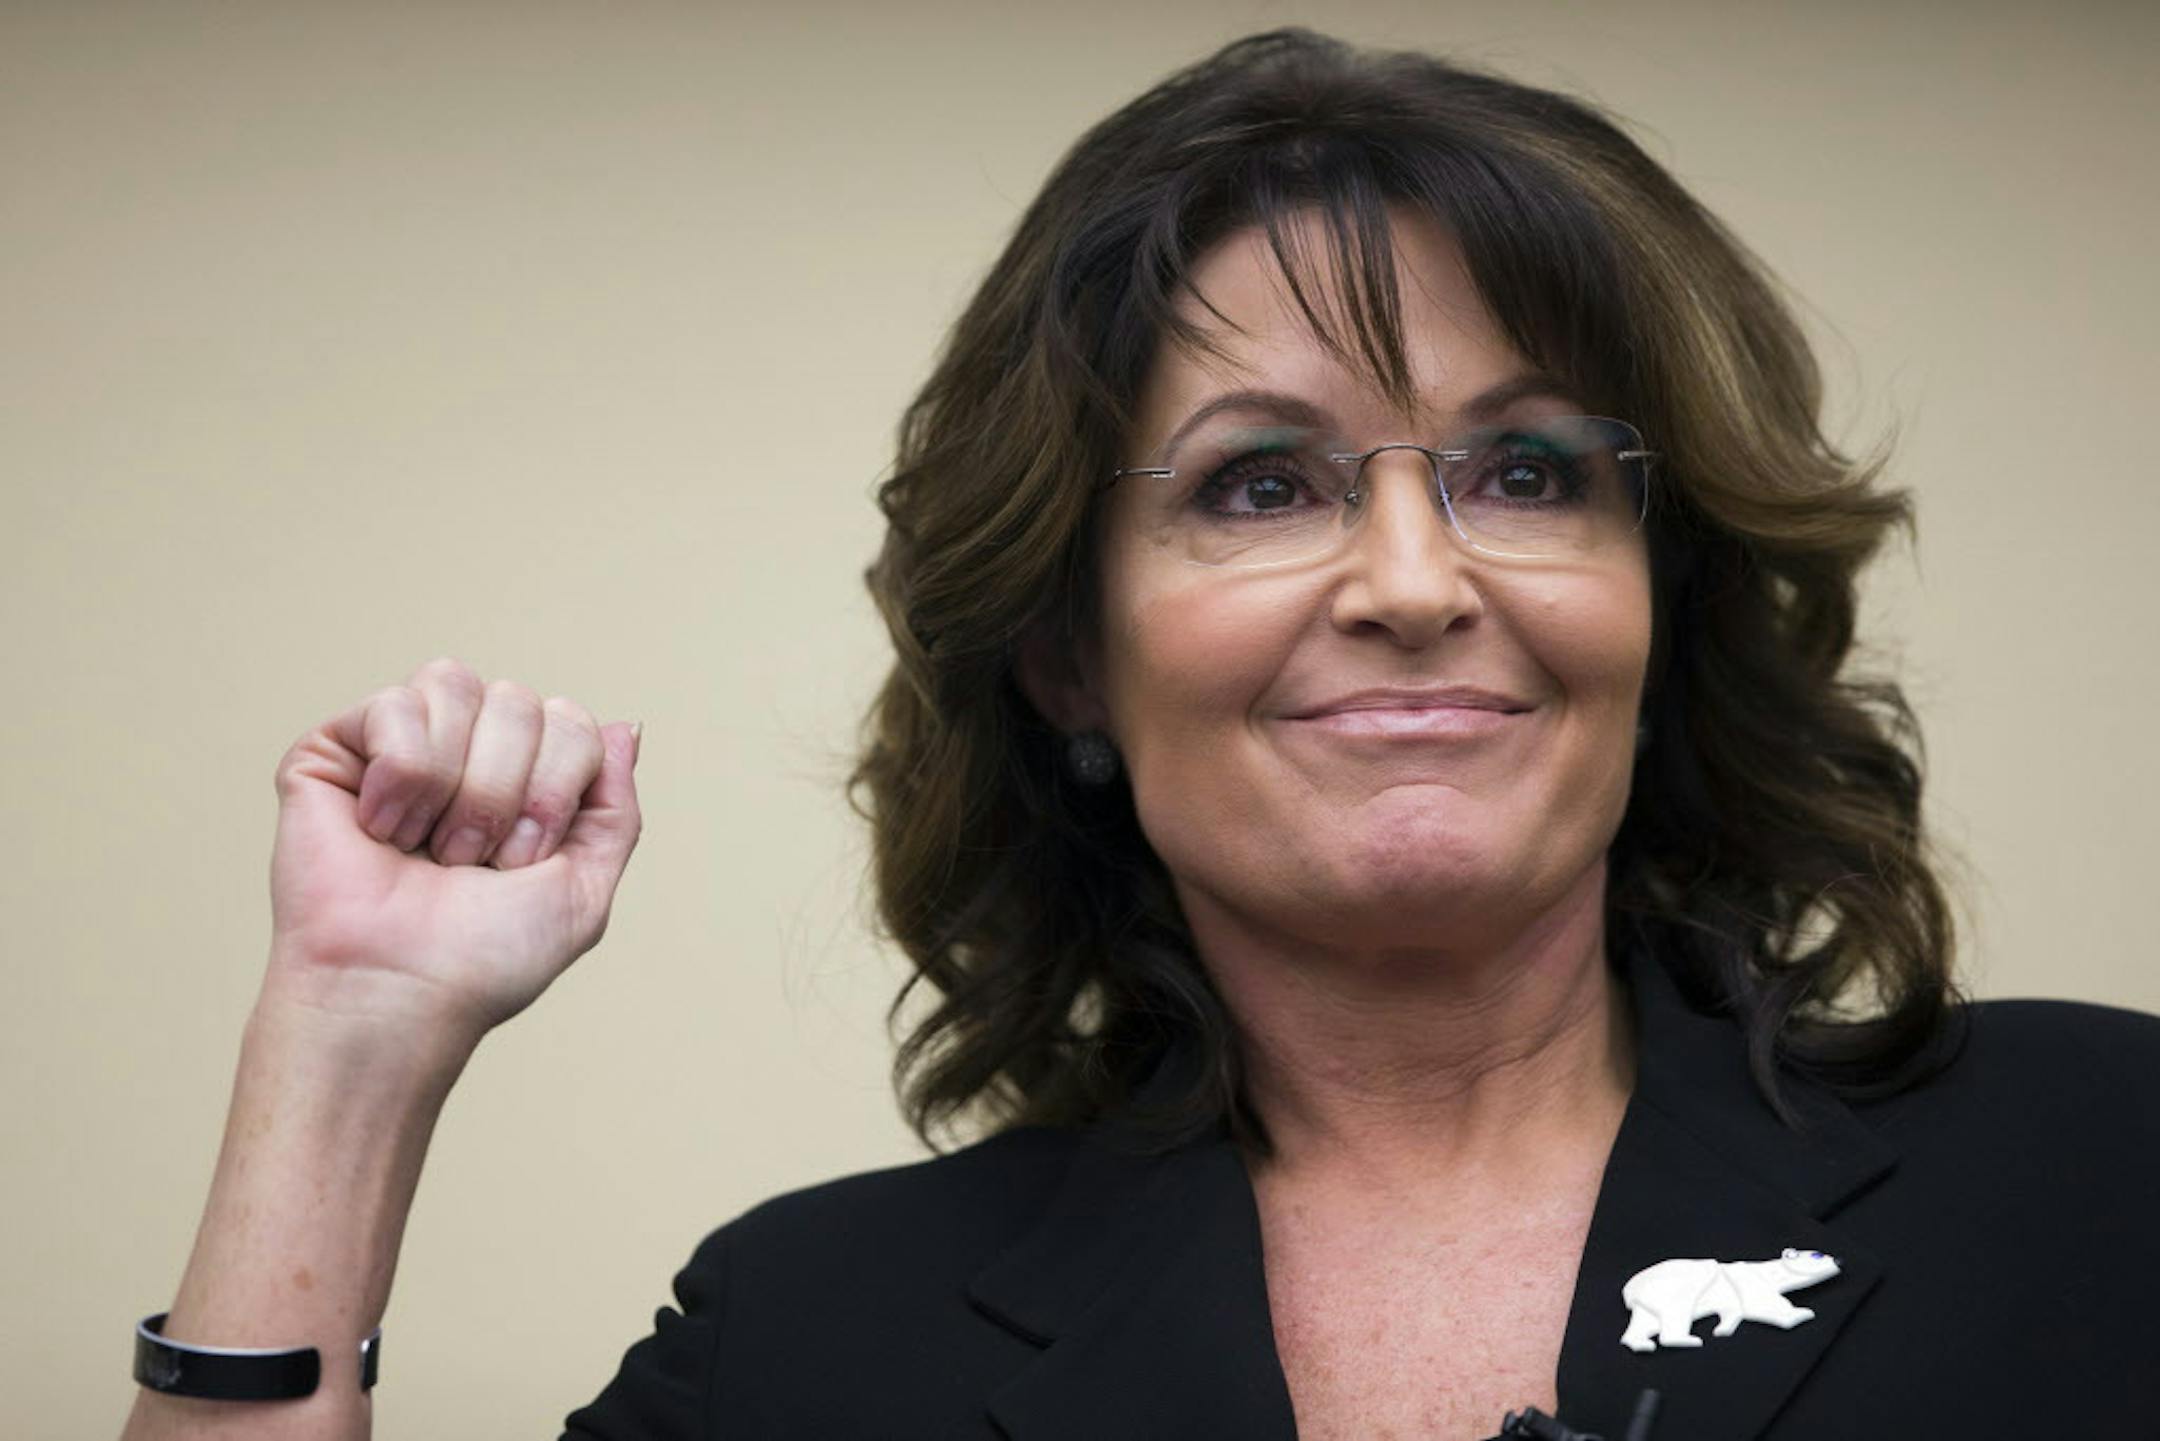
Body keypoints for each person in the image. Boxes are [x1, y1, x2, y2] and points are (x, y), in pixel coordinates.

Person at [119, 27, 2160, 1441]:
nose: (1417, 575)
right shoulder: (820, 1346)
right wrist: (349, 1047)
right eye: (1259, 484)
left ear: (1661, 593)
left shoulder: (2104, 1170)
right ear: (1066, 655)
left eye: (1529, 470)